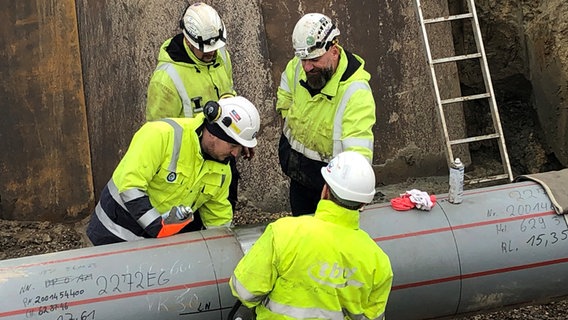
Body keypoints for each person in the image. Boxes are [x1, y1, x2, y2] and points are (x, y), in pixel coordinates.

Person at [229, 151, 393, 320]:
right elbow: (374, 317)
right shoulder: (378, 262)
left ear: (325, 190)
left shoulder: (283, 233)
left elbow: (244, 290)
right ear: (363, 203)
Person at [86, 96, 260, 245]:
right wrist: (158, 228)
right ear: (214, 133)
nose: (236, 153)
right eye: (233, 145)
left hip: (156, 241)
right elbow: (130, 186)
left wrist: (222, 248)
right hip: (113, 231)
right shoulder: (160, 135)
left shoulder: (222, 170)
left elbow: (218, 218)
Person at [146, 2, 247, 211]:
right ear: (188, 39)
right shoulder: (166, 79)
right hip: (188, 167)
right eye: (205, 50)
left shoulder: (221, 56)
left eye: (215, 48)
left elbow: (229, 97)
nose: (211, 54)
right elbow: (158, 133)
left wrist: (240, 136)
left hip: (221, 155)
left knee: (223, 212)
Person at [276, 13, 377, 216]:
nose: (307, 67)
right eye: (303, 59)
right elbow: (285, 97)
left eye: (314, 59)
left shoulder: (356, 94)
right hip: (298, 174)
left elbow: (358, 155)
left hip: (330, 187)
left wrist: (343, 193)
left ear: (334, 50)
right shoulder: (298, 66)